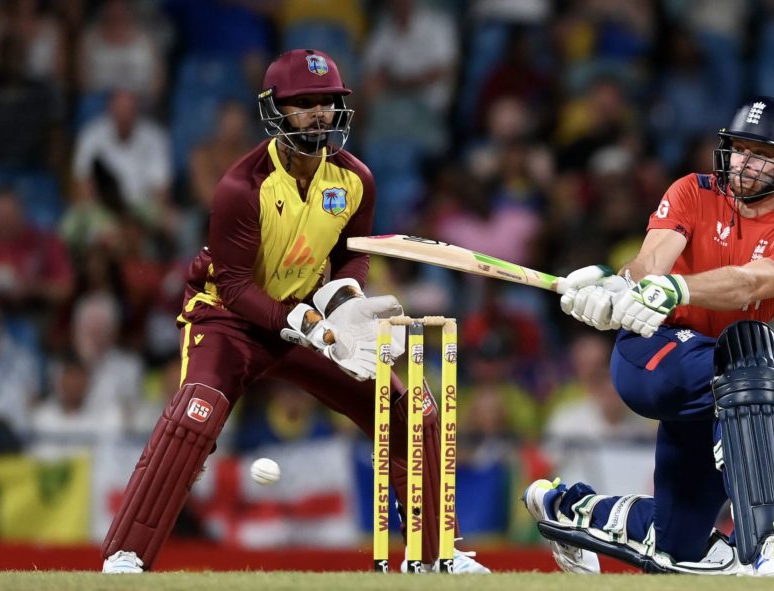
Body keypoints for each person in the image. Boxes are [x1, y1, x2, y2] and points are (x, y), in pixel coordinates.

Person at [101, 49, 488, 574]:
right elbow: (235, 285)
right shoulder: (243, 186)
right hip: (228, 318)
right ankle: (126, 555)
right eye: (303, 104)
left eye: (327, 103)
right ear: (275, 111)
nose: (319, 115)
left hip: (310, 315)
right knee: (198, 411)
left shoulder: (356, 180)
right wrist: (304, 323)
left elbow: (351, 252)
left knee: (412, 411)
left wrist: (346, 303)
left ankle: (433, 554)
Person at [523, 97, 774, 577]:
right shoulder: (693, 191)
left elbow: (750, 283)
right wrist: (621, 288)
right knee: (751, 360)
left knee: (680, 546)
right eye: (739, 149)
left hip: (716, 396)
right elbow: (650, 263)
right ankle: (769, 543)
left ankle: (567, 508)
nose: (744, 163)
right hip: (653, 352)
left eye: (761, 153)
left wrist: (676, 287)